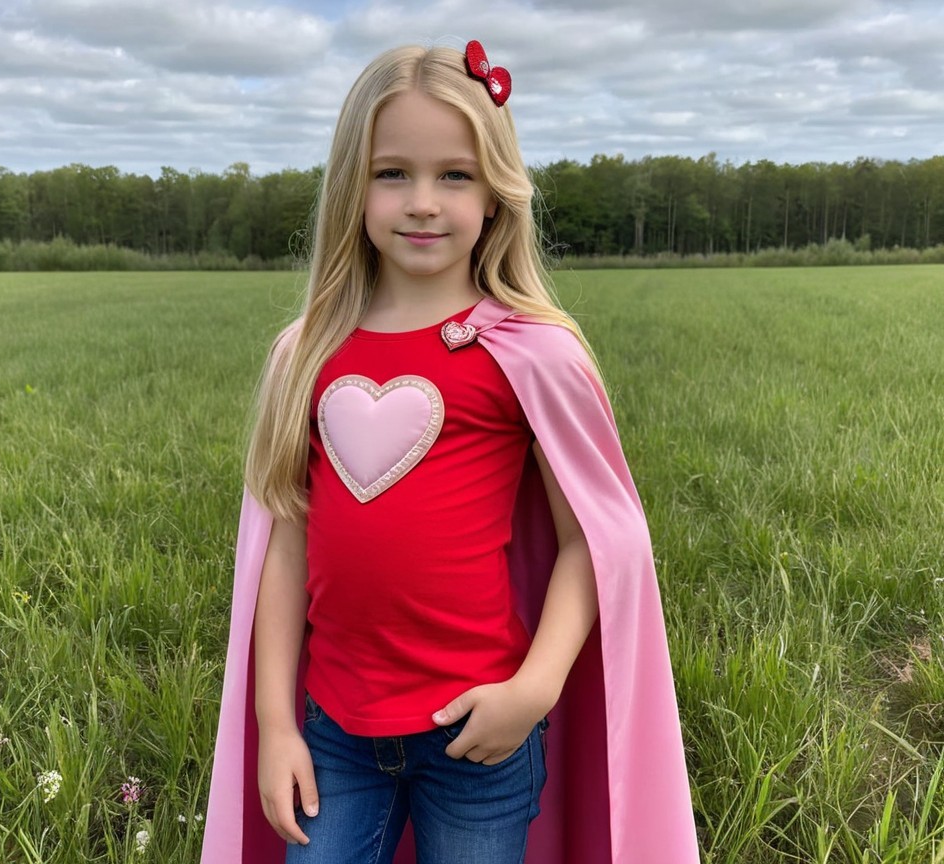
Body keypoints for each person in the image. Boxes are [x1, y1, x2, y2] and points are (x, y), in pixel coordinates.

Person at [201, 40, 699, 864]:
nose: (423, 202)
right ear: (350, 188)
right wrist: (275, 724)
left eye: (455, 175)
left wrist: (532, 692)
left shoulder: (531, 352)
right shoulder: (308, 353)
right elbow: (283, 545)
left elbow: (597, 543)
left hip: (481, 736)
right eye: (392, 172)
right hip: (333, 737)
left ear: (497, 194)